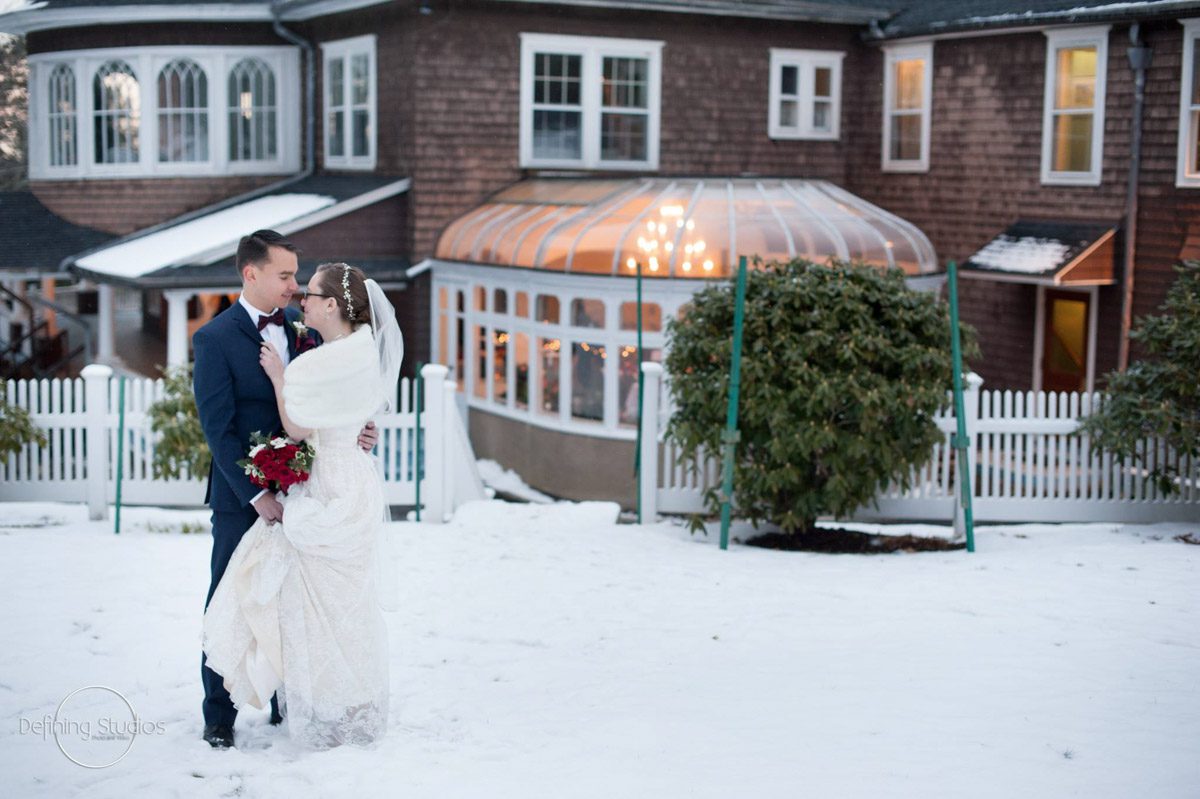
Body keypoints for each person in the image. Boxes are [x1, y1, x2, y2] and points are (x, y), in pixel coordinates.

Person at [201, 262, 402, 750]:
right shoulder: (356, 349)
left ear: (332, 305)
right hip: (342, 484)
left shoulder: (311, 350)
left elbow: (298, 427)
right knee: (336, 601)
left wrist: (280, 377)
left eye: (306, 288)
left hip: (320, 483)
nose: (298, 294)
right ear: (254, 273)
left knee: (297, 597)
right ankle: (226, 713)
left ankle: (307, 703)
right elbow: (217, 425)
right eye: (288, 277)